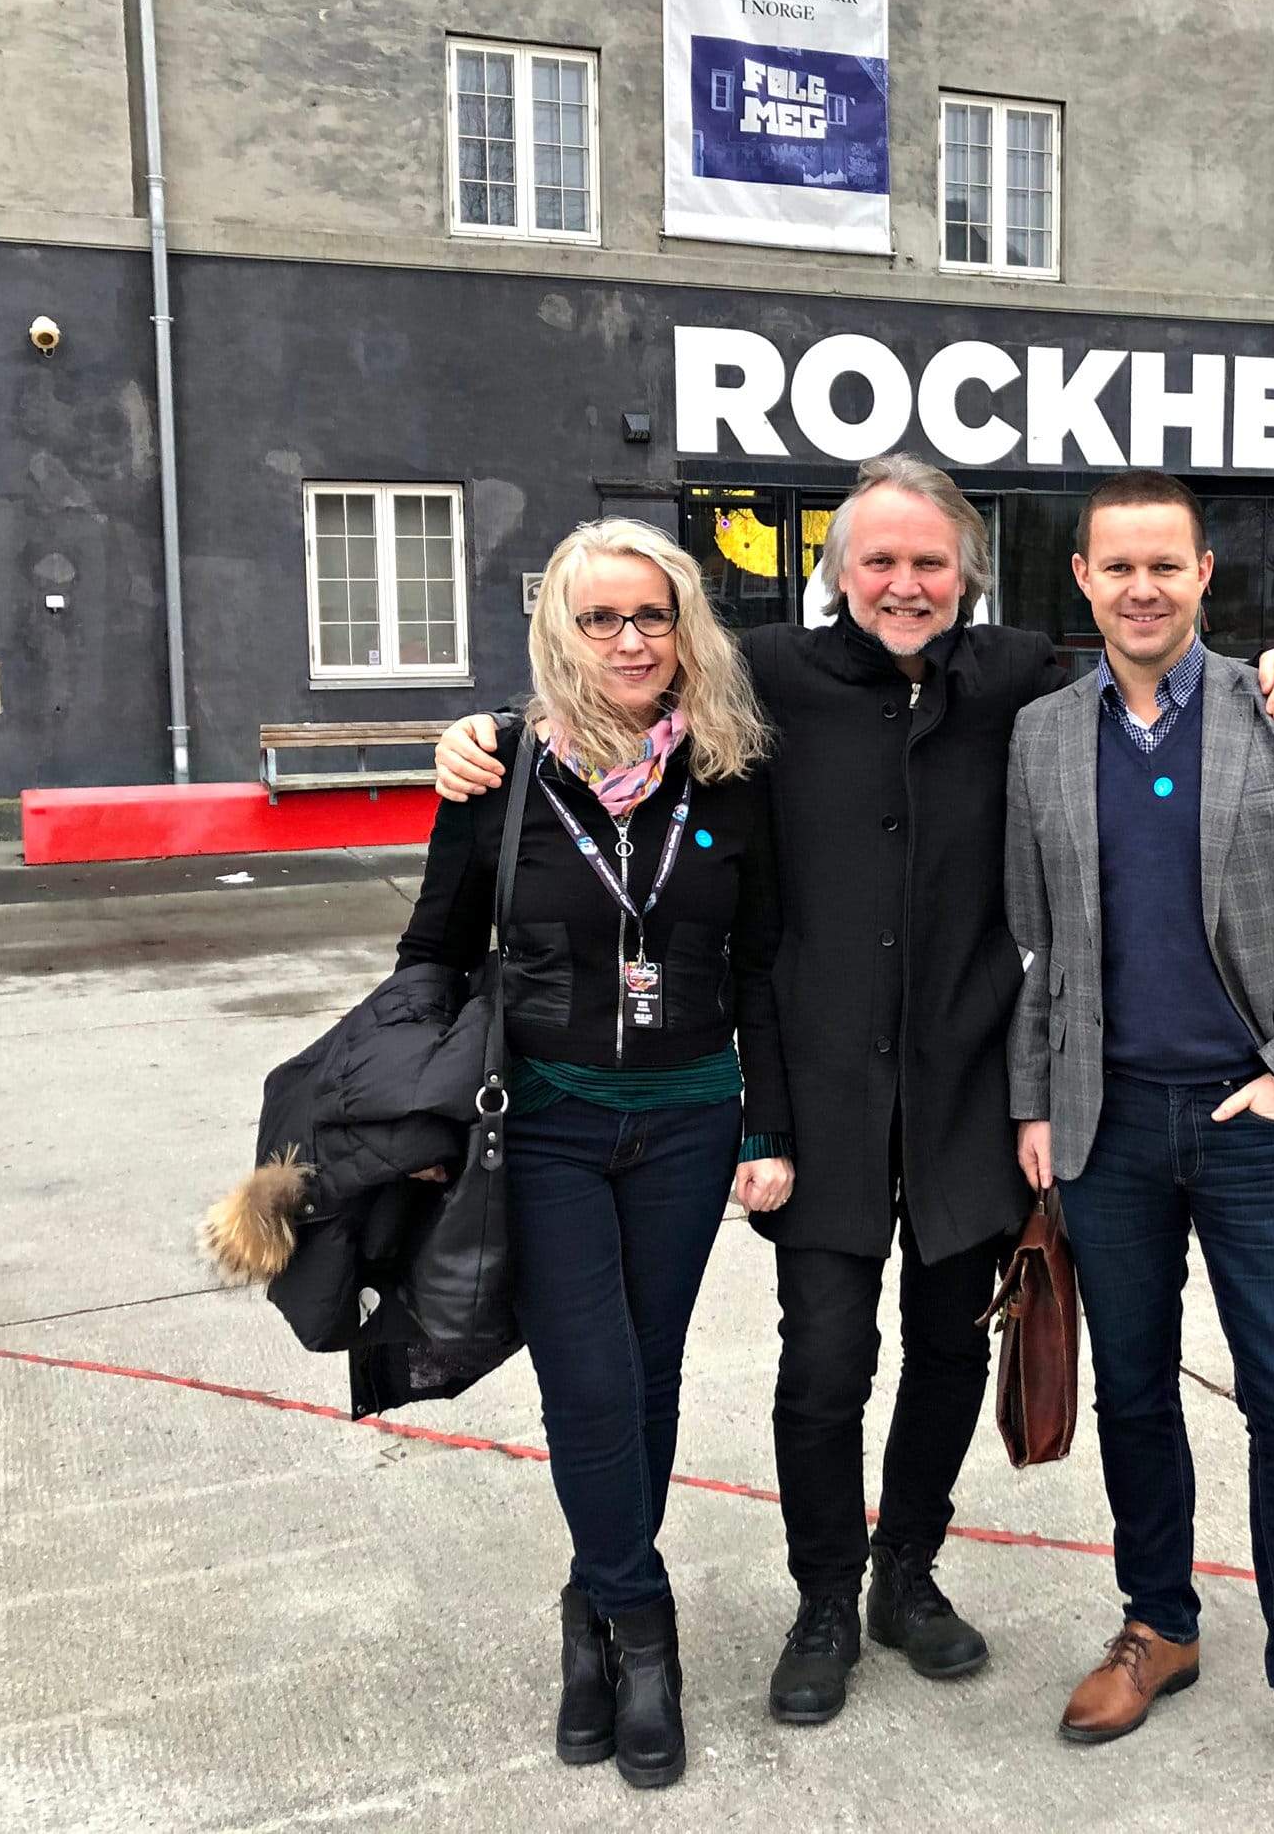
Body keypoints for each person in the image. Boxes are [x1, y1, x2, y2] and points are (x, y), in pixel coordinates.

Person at [432, 456, 1274, 1725]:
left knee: (949, 1349)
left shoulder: (1016, 676)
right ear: (838, 572)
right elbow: (623, 674)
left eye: (930, 562)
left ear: (966, 575)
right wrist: (482, 729)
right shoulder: (769, 673)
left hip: (968, 1088)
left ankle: (904, 1571)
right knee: (823, 1363)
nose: (906, 584)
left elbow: (1150, 655)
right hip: (821, 1096)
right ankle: (822, 1595)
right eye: (880, 561)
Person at [1004, 471, 1274, 1824]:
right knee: (1133, 1392)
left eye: (1165, 564)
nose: (1140, 587)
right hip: (1105, 1122)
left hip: (1252, 1121)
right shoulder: (1040, 735)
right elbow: (1031, 940)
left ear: (1204, 575)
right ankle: (1160, 1623)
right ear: (1082, 579)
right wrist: (1033, 1099)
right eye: (1117, 565)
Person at [397, 520, 795, 1790]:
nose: (631, 641)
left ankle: (590, 1608)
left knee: (650, 1372)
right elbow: (431, 950)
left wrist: (768, 1123)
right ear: (559, 632)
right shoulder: (499, 771)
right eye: (602, 618)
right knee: (588, 1376)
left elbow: (763, 964)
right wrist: (413, 1116)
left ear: (686, 628)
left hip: (690, 1117)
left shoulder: (729, 771)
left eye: (653, 615)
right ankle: (644, 1624)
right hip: (548, 1117)